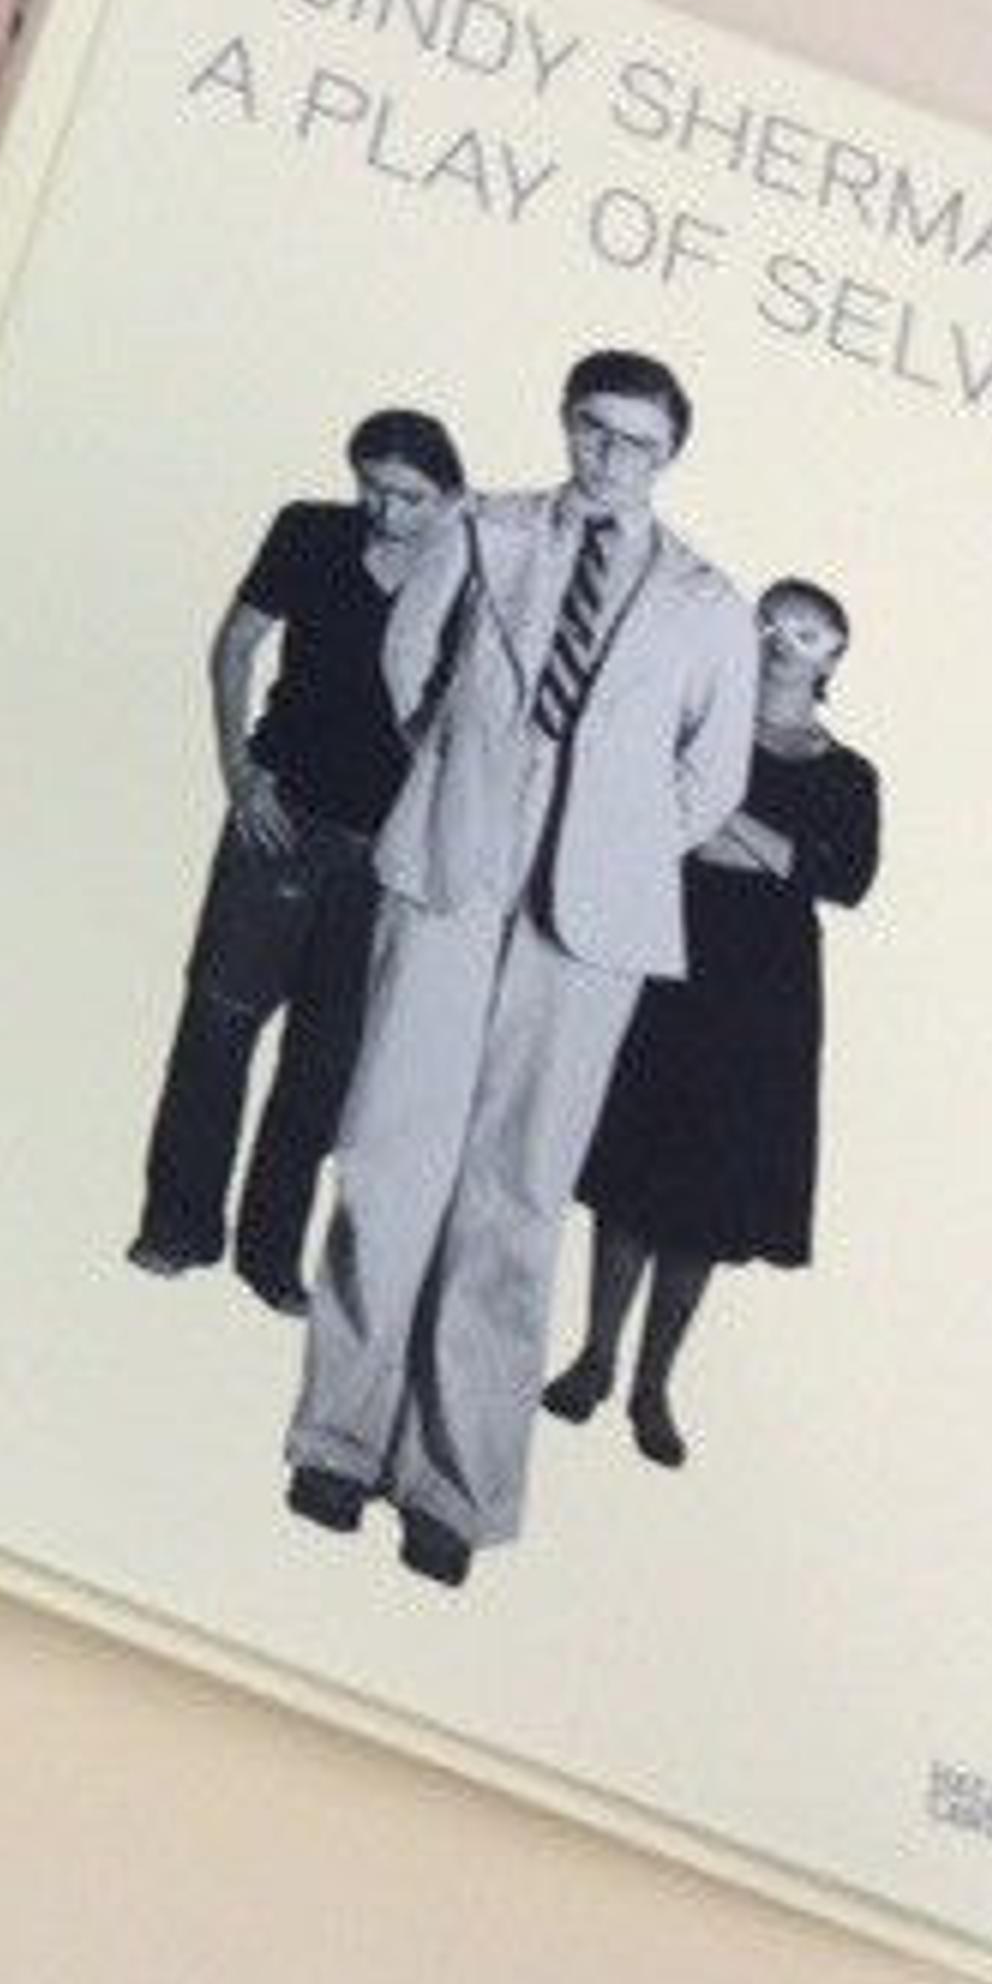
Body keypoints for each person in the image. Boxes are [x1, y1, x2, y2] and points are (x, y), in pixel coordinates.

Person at [283, 350, 756, 1585]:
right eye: (594, 429)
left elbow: (712, 779)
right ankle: (336, 1444)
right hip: (450, 867)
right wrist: (462, 775)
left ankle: (454, 1487)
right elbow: (408, 663)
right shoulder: (483, 530)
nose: (610, 457)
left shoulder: (709, 604)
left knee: (518, 1194)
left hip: (590, 917)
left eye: (637, 442)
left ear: (669, 456)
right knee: (389, 1156)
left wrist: (606, 838)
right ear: (564, 423)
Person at [128, 410, 464, 1316]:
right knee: (217, 1023)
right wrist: (238, 771)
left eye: (411, 496)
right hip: (282, 818)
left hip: (387, 849)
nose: (387, 511)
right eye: (372, 488)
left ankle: (271, 1257)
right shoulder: (309, 531)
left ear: (451, 497)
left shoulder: (471, 576)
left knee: (326, 1060)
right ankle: (177, 1227)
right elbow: (236, 643)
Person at [546, 578, 881, 1466]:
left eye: (805, 633)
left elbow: (846, 879)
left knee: (709, 1192)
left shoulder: (849, 775)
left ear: (833, 659)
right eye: (769, 622)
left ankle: (653, 1387)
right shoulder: (702, 726)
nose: (779, 642)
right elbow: (656, 821)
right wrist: (773, 849)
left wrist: (725, 818)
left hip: (766, 992)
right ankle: (593, 1359)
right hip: (671, 952)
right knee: (633, 1163)